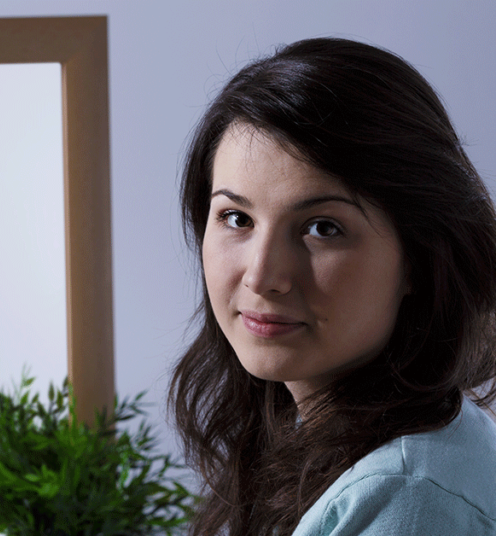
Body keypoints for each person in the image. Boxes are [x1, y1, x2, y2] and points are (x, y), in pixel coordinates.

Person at [170, 38, 496, 535]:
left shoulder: (408, 498)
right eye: (236, 217)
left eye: (322, 227)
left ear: (419, 258)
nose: (261, 276)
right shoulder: (322, 440)